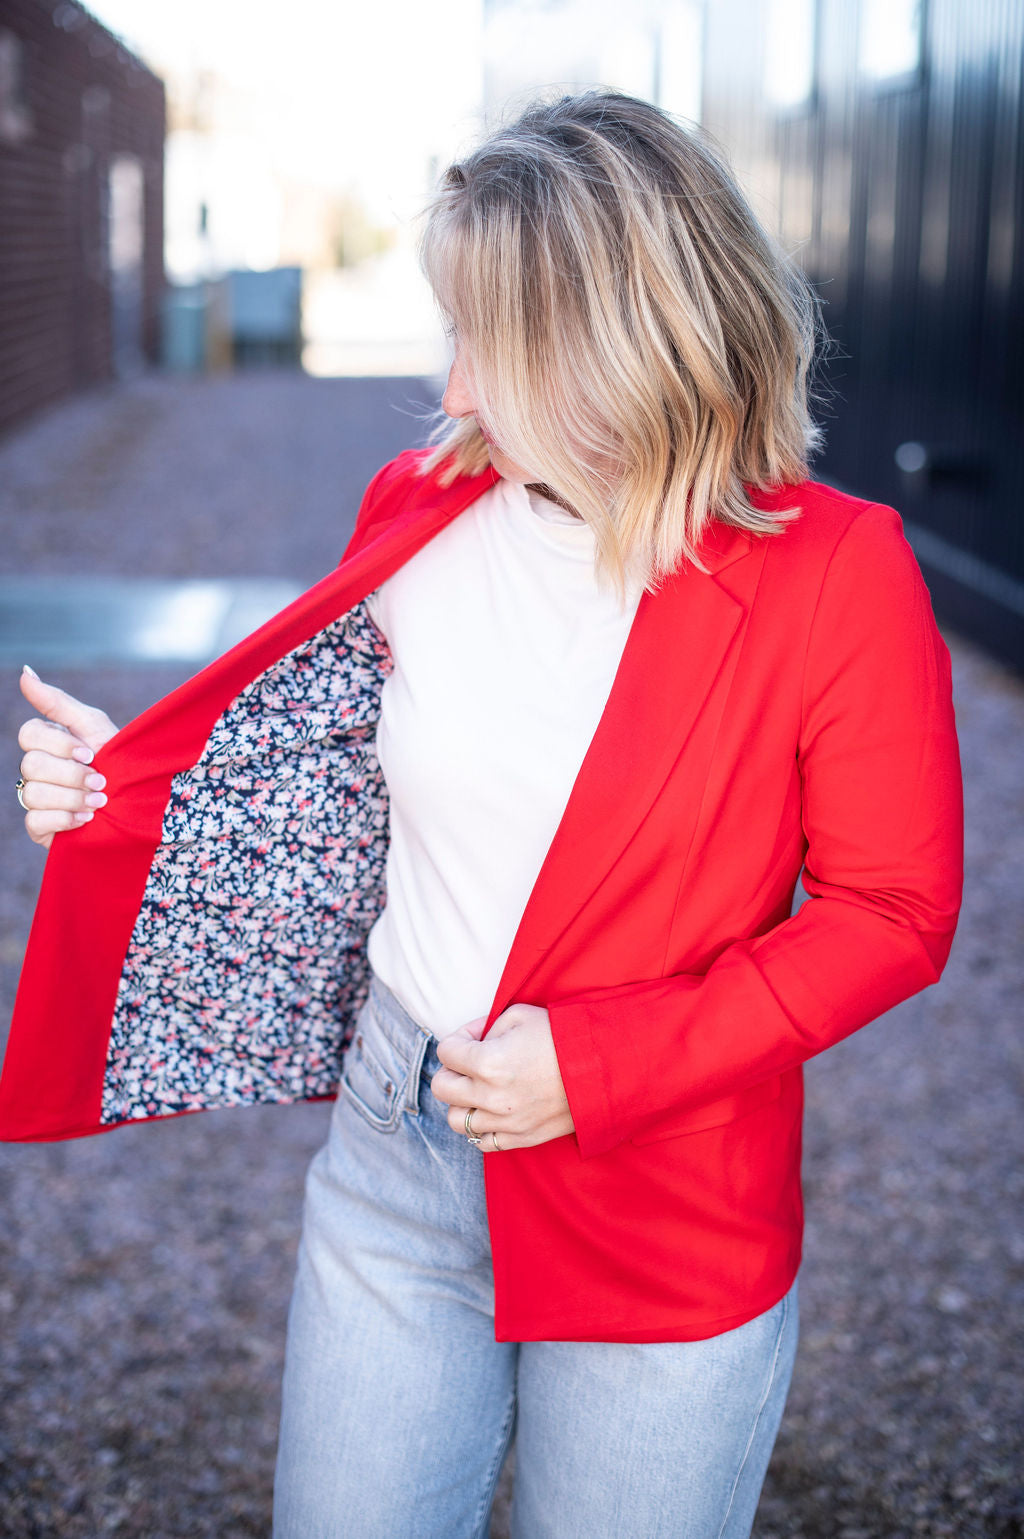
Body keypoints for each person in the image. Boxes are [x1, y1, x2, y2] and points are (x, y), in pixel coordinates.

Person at [7, 92, 962, 1538]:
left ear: (614, 347)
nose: (449, 391)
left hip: (661, 1208)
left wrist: (604, 1063)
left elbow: (893, 912)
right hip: (392, 1171)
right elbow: (338, 783)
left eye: (485, 345)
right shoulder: (419, 507)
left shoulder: (839, 571)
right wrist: (130, 790)